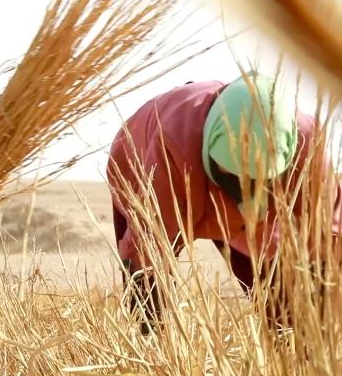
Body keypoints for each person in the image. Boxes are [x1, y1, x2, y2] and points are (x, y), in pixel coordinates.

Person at [106, 72, 341, 334]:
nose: (241, 188)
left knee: (286, 310)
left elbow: (331, 234)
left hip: (259, 204)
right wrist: (148, 319)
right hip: (143, 160)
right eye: (233, 175)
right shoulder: (173, 147)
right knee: (149, 303)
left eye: (255, 179)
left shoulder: (307, 146)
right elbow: (146, 245)